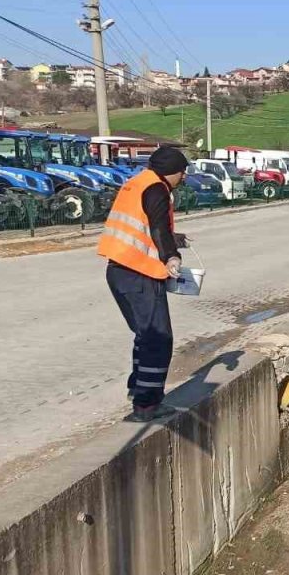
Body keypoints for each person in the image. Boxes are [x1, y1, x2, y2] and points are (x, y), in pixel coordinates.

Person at [97, 145, 190, 421]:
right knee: (158, 339)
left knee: (144, 334)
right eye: (182, 172)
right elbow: (158, 226)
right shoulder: (157, 189)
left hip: (119, 270)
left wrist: (176, 238)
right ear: (171, 172)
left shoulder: (137, 182)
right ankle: (146, 404)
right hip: (139, 273)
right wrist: (171, 256)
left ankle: (137, 388)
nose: (183, 178)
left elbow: (146, 224)